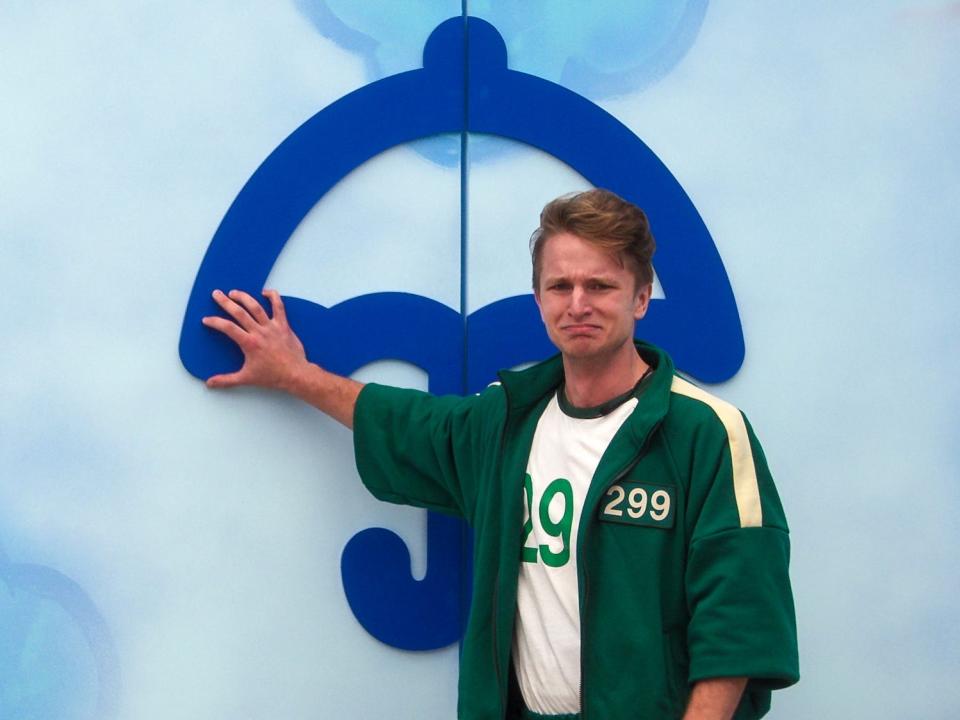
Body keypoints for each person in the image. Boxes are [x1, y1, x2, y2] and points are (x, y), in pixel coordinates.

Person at [202, 189, 799, 719]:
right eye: (560, 286)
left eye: (601, 285)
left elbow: (738, 619)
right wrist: (295, 375)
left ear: (641, 299)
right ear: (538, 299)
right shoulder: (506, 420)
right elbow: (405, 423)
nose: (578, 304)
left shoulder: (706, 432)